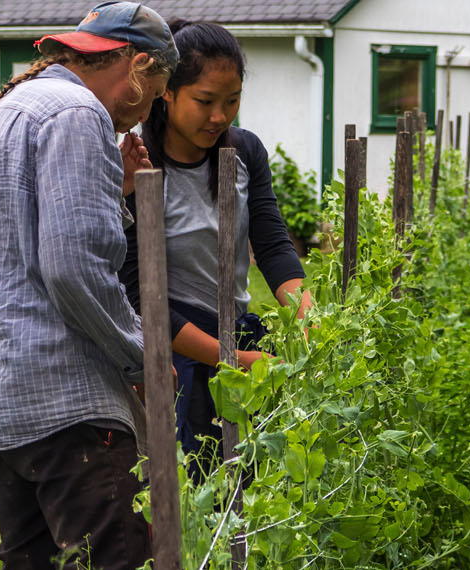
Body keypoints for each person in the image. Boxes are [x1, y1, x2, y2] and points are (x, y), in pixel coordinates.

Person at [0, 2, 175, 568]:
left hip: (5, 396)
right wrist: (142, 357)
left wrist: (116, 192)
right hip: (67, 404)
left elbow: (27, 244)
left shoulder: (3, 114)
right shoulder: (78, 113)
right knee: (117, 558)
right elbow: (73, 266)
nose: (147, 112)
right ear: (138, 66)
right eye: (155, 93)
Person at [117, 20, 312, 475]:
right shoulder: (137, 167)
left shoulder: (244, 153)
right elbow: (142, 297)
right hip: (178, 350)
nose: (220, 117)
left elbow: (272, 244)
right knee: (194, 480)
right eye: (204, 101)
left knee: (254, 477)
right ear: (167, 91)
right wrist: (232, 359)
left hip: (238, 333)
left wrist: (306, 316)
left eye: (232, 101)